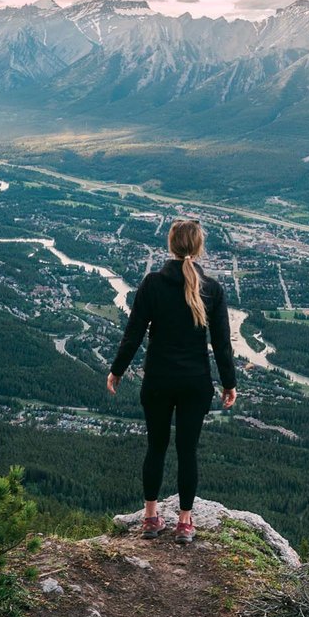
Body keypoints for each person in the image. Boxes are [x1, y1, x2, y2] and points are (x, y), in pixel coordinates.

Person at [107, 218, 237, 543]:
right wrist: (229, 383)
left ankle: (151, 518)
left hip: (159, 381)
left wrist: (117, 370)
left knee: (156, 447)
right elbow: (222, 344)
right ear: (198, 246)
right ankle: (185, 523)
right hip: (195, 383)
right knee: (187, 451)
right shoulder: (213, 289)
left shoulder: (152, 283)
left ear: (171, 245)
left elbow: (133, 333)